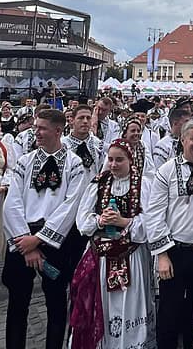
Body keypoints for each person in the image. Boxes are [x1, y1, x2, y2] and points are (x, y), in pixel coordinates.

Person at [2, 109, 87, 349]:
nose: (36, 132)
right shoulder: (25, 161)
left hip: (54, 242)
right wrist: (25, 243)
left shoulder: (74, 164)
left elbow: (71, 206)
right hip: (22, 239)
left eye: (41, 128)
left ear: (58, 130)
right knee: (17, 302)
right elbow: (13, 202)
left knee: (56, 301)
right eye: (35, 127)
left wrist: (39, 239)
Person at [146, 119, 193, 349]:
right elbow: (154, 214)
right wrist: (161, 254)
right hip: (175, 252)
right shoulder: (166, 171)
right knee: (169, 312)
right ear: (183, 140)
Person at [72, 139, 156, 349]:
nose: (114, 164)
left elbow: (151, 221)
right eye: (110, 159)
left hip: (132, 255)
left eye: (119, 160)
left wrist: (124, 222)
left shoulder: (142, 184)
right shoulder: (99, 183)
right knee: (106, 305)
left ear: (130, 160)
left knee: (132, 302)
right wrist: (100, 220)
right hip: (101, 255)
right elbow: (82, 220)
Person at [62, 104, 106, 180]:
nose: (85, 121)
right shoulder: (62, 144)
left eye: (88, 118)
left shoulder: (99, 144)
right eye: (81, 118)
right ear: (72, 120)